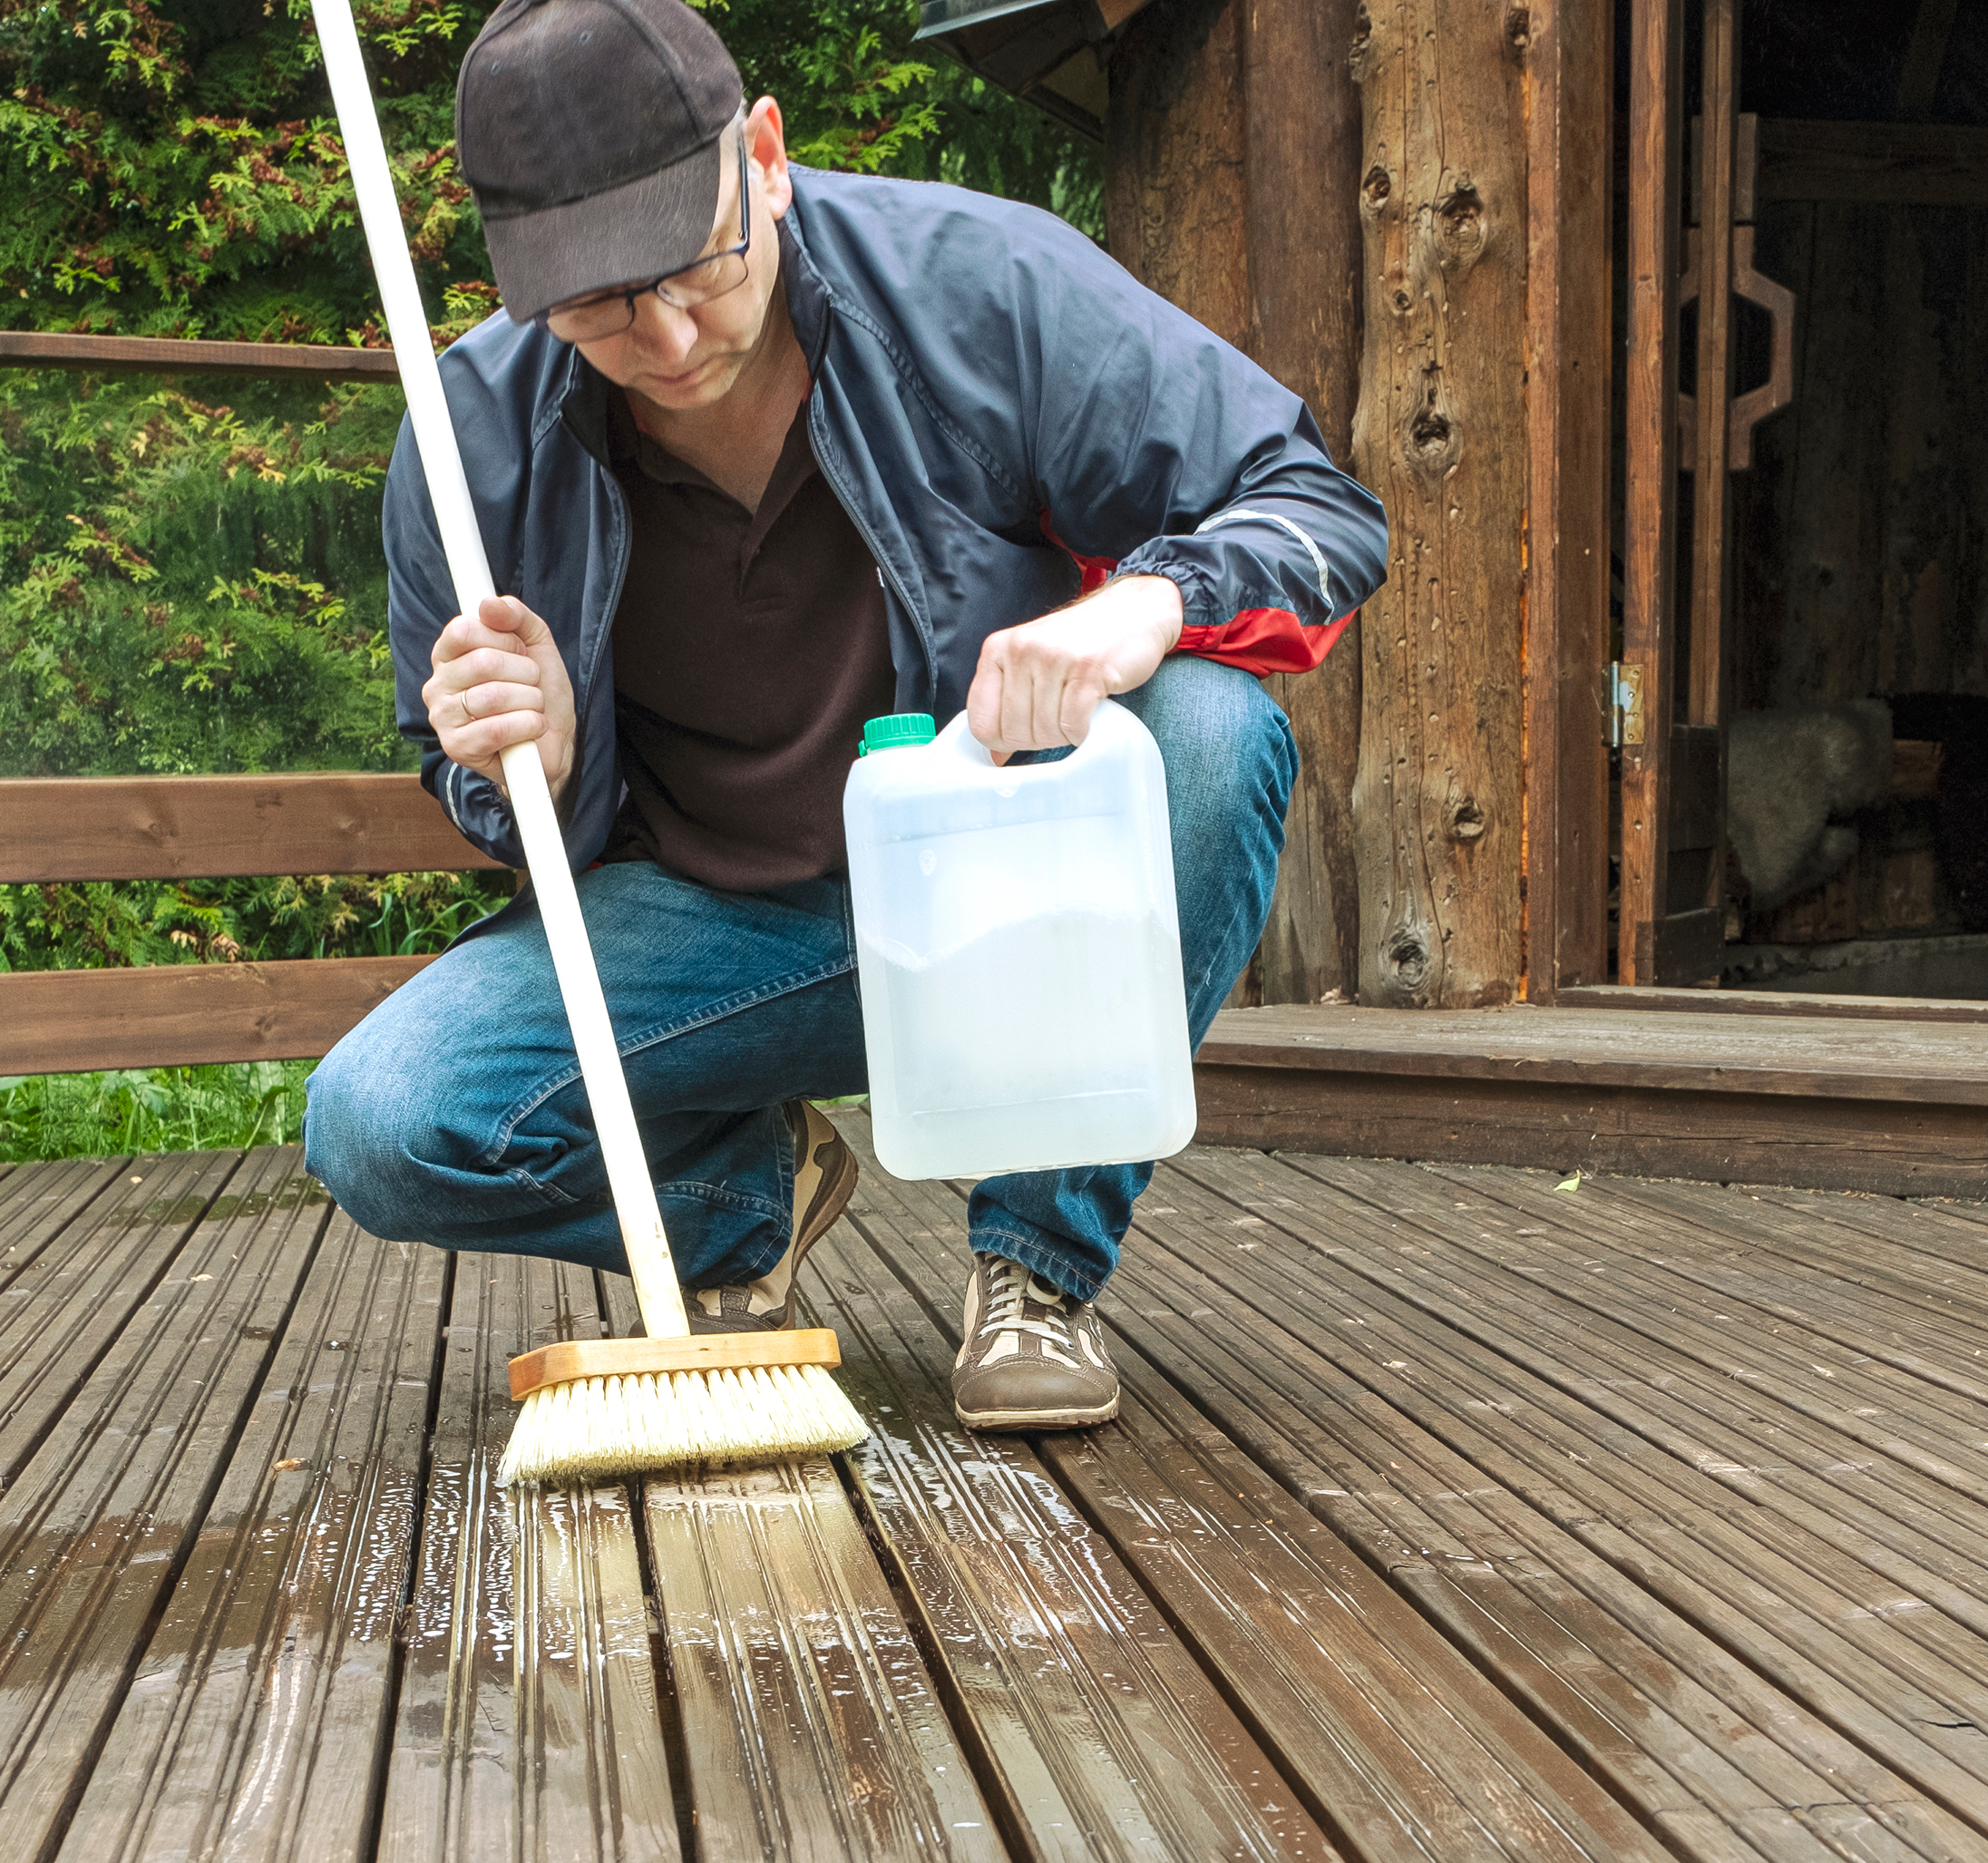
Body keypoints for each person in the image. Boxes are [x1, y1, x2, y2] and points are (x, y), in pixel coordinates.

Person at [299, 0, 1385, 1429]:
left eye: (696, 267)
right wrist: (534, 767)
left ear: (766, 154)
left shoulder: (981, 287)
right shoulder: (469, 443)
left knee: (1207, 732)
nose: (671, 337)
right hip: (710, 931)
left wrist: (1136, 610)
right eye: (599, 305)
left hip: (996, 886)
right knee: (381, 1123)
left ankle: (1039, 1265)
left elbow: (1318, 511)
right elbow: (507, 816)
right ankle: (741, 1202)